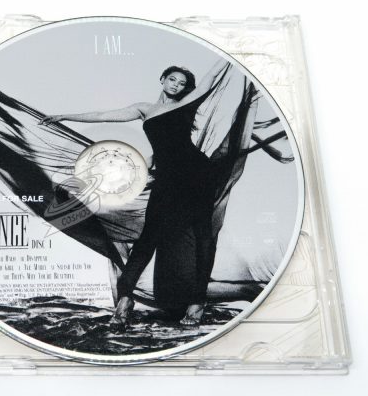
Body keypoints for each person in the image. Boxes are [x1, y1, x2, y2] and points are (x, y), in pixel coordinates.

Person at [39, 59, 230, 327]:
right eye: (172, 79)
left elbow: (212, 74)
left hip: (197, 175)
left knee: (202, 235)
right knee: (148, 238)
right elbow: (104, 115)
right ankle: (125, 299)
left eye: (182, 83)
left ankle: (197, 302)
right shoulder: (145, 109)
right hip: (168, 178)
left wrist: (232, 52)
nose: (176, 85)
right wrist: (65, 116)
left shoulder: (187, 104)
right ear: (162, 79)